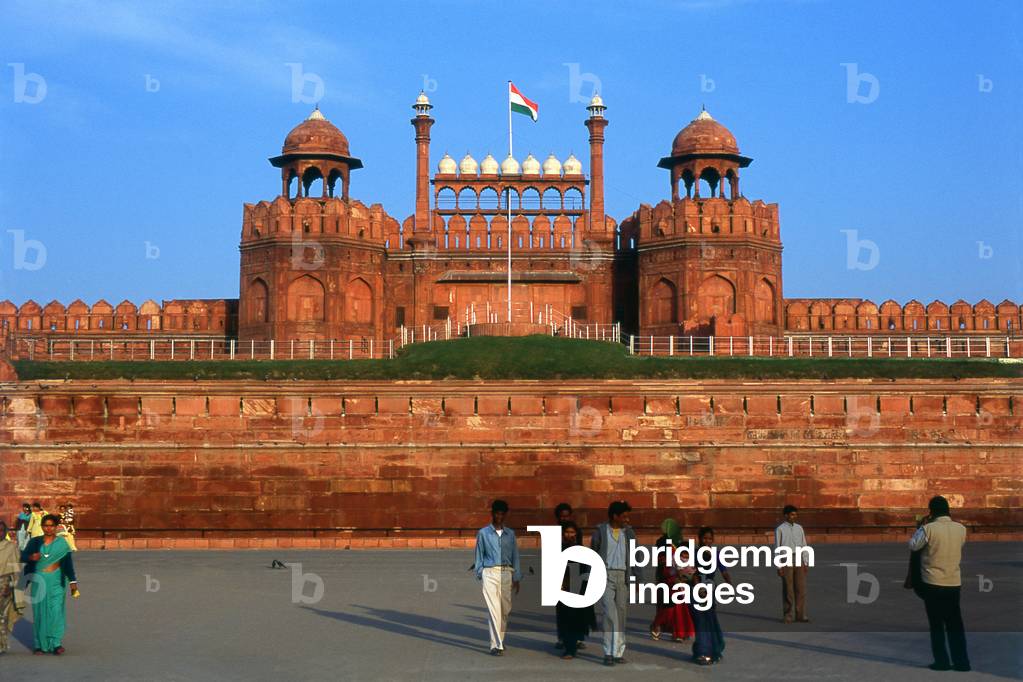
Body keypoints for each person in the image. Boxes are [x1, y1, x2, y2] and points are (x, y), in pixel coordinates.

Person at [908, 496, 970, 672]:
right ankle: (962, 662)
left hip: (932, 582)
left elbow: (913, 546)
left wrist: (920, 527)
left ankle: (941, 662)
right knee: (955, 624)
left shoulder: (928, 529)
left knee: (936, 624)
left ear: (931, 511)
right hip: (953, 582)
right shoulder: (961, 529)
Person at [590, 500, 640, 666]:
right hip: (605, 575)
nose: (627, 519)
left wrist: (638, 579)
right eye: (624, 516)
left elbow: (636, 556)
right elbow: (593, 553)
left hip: (623, 577)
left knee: (621, 615)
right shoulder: (601, 531)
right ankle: (608, 652)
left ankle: (618, 652)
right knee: (609, 615)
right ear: (615, 516)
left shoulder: (629, 533)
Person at [21, 513, 79, 655]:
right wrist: (30, 557)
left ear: (56, 527)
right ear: (42, 527)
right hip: (39, 580)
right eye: (46, 526)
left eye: (51, 526)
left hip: (57, 581)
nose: (48, 528)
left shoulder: (62, 543)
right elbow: (22, 556)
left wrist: (73, 582)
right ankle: (39, 645)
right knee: (40, 612)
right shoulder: (35, 542)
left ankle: (56, 643)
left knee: (56, 611)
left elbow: (68, 564)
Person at [473, 499, 521, 655]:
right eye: (497, 513)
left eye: (502, 514)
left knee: (505, 610)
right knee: (494, 609)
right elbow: (479, 554)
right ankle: (496, 645)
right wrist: (481, 572)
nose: (499, 516)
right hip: (490, 572)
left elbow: (515, 556)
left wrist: (517, 577)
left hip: (507, 572)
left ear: (505, 515)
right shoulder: (483, 533)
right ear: (492, 514)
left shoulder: (510, 534)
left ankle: (500, 639)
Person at [554, 521, 597, 660]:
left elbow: (586, 570)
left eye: (572, 532)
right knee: (565, 618)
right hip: (563, 588)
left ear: (577, 534)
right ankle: (569, 647)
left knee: (576, 618)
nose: (569, 535)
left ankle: (572, 647)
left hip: (578, 588)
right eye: (567, 532)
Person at [649, 518, 695, 642]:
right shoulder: (663, 543)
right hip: (668, 579)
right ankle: (657, 625)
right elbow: (662, 564)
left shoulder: (677, 543)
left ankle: (678, 633)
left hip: (677, 580)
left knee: (678, 606)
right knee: (669, 606)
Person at [691, 526, 730, 665]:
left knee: (710, 620)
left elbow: (723, 569)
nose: (707, 541)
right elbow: (693, 572)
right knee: (701, 621)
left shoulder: (715, 554)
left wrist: (728, 582)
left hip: (710, 590)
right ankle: (702, 653)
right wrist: (699, 589)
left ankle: (713, 650)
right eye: (704, 538)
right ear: (699, 539)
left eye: (710, 538)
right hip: (697, 591)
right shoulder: (694, 553)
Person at [775, 504, 809, 623]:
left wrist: (806, 561)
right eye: (792, 514)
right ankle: (788, 615)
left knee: (800, 589)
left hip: (798, 558)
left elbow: (804, 545)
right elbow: (777, 548)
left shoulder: (799, 528)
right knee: (788, 590)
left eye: (796, 514)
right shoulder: (780, 529)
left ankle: (800, 615)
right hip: (786, 559)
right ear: (786, 515)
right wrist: (779, 566)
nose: (795, 516)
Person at [0, 525, 24, 654]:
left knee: (1, 616)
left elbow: (16, 569)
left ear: (6, 532)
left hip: (4, 584)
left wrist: (13, 588)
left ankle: (1, 644)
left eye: (2, 530)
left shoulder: (11, 547)